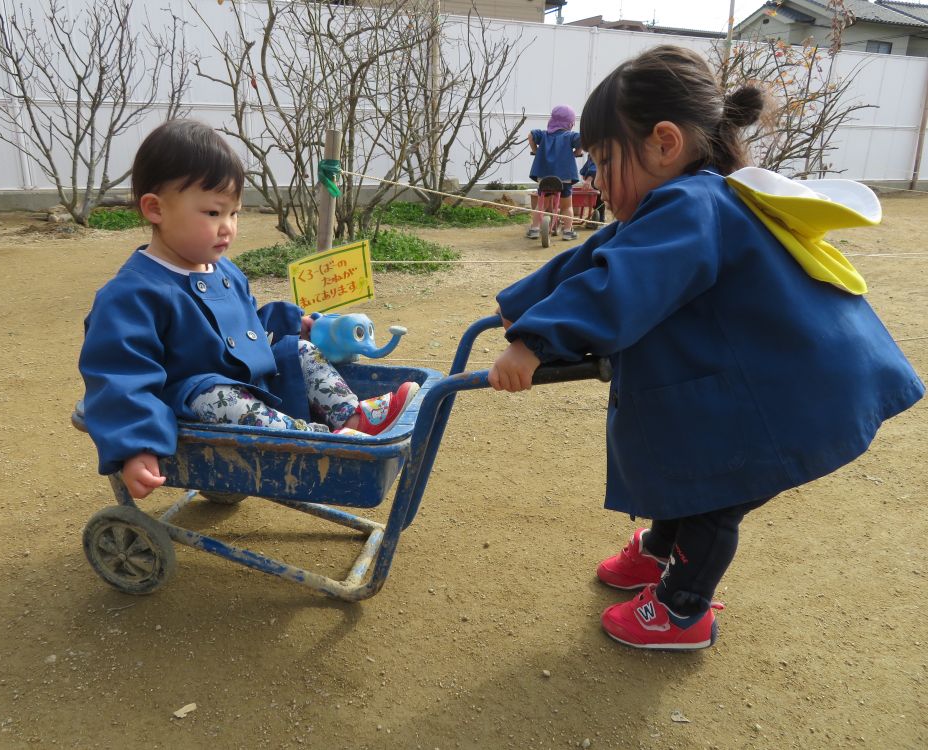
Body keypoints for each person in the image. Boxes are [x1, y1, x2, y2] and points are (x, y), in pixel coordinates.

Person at [487, 46, 924, 651]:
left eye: (604, 160)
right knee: (694, 467)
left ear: (664, 143)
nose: (593, 180)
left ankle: (683, 608)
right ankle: (661, 549)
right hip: (763, 387)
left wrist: (535, 341)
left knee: (717, 497)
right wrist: (522, 303)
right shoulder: (683, 199)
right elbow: (598, 255)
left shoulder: (693, 204)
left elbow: (625, 278)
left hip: (783, 403)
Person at [79, 119, 419, 500]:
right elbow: (120, 375)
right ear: (155, 209)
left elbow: (247, 325)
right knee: (216, 395)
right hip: (200, 403)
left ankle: (352, 417)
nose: (228, 227)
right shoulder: (132, 294)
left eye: (234, 213)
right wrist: (137, 444)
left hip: (254, 387)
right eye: (213, 213)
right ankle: (319, 442)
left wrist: (293, 324)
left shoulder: (224, 270)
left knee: (299, 350)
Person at [526, 104, 585, 242]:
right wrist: (578, 152)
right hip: (564, 180)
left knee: (541, 206)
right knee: (567, 206)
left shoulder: (544, 135)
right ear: (569, 123)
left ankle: (534, 229)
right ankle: (567, 231)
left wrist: (535, 150)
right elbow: (583, 138)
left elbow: (530, 135)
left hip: (545, 178)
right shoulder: (570, 136)